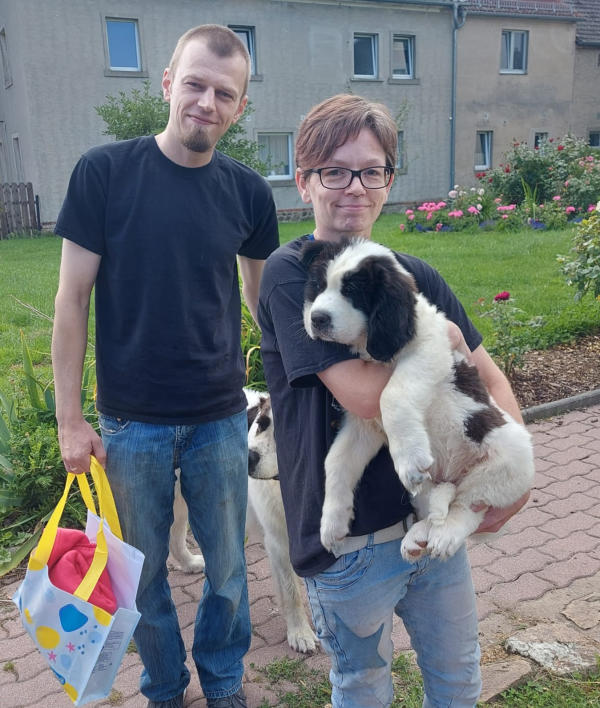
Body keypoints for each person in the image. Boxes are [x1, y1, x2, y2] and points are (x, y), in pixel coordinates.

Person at [257, 94, 530, 708]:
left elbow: (491, 377)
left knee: (458, 678)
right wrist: (440, 350)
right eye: (334, 171)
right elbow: (364, 397)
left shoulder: (412, 276)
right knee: (363, 686)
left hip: (433, 522)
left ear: (388, 181)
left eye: (371, 171)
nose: (354, 187)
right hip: (350, 543)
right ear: (304, 181)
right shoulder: (294, 274)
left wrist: (513, 472)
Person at [51, 24, 279, 708]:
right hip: (131, 423)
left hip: (219, 417)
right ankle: (164, 688)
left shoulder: (248, 192)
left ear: (240, 107)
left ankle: (224, 684)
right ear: (168, 85)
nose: (207, 102)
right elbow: (71, 301)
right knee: (142, 578)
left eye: (224, 93)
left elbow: (261, 301)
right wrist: (69, 420)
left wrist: (296, 378)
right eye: (195, 85)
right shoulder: (104, 173)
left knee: (229, 572)